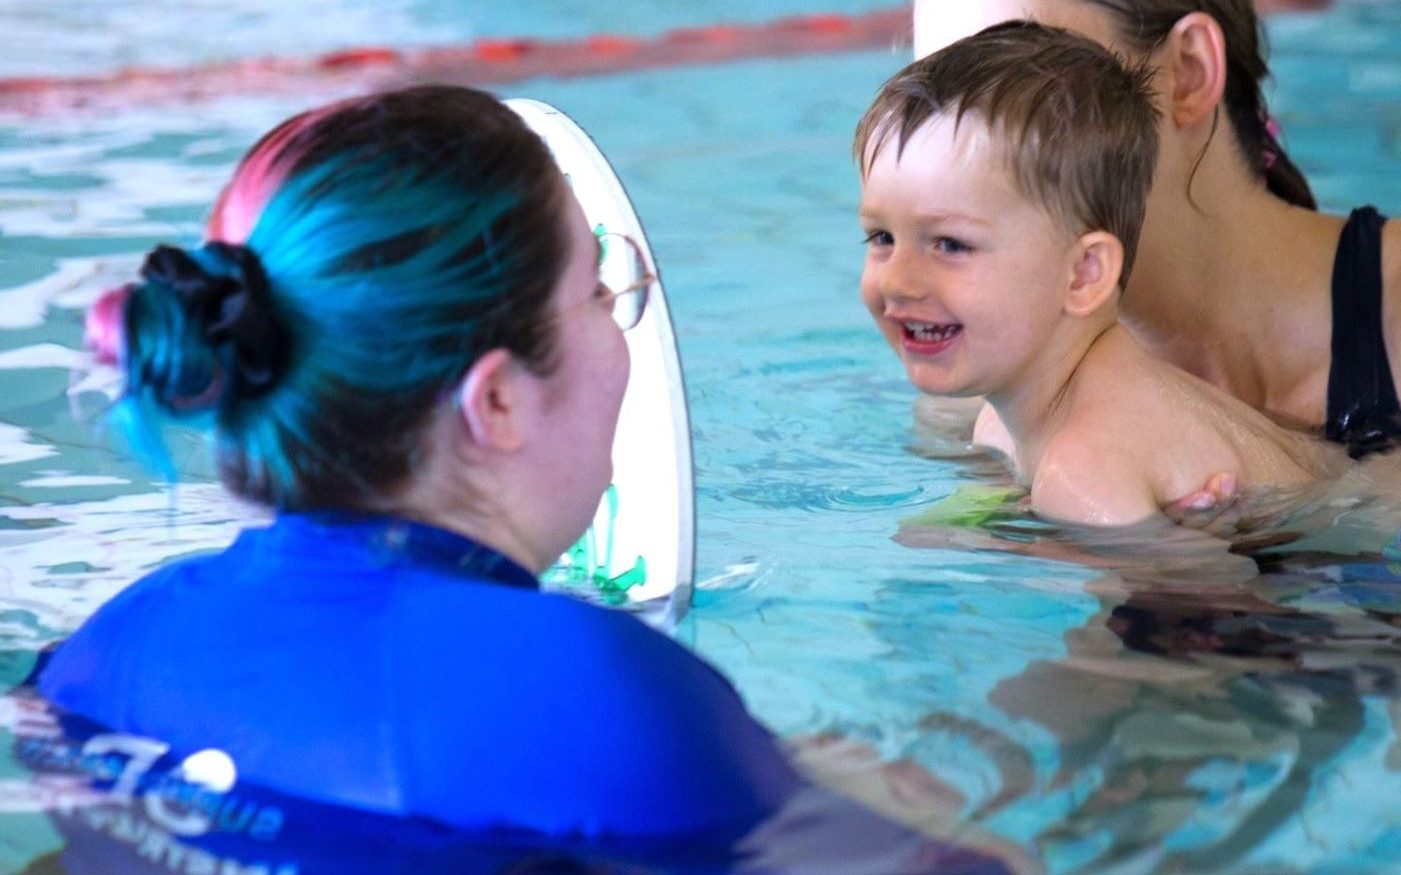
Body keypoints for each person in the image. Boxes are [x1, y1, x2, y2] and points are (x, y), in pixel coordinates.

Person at [35, 85, 802, 839]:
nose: (617, 319)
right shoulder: (602, 699)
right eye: (599, 291)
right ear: (497, 400)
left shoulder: (108, 646)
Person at [855, 21, 1342, 527]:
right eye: (881, 238)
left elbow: (1214, 596)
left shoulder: (1083, 468)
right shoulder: (1001, 424)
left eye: (951, 244)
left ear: (1085, 273)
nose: (897, 282)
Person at [913, 0, 1401, 477]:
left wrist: (1234, 451)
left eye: (1009, 96)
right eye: (930, 111)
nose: (956, 166)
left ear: (1187, 73)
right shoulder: (987, 394)